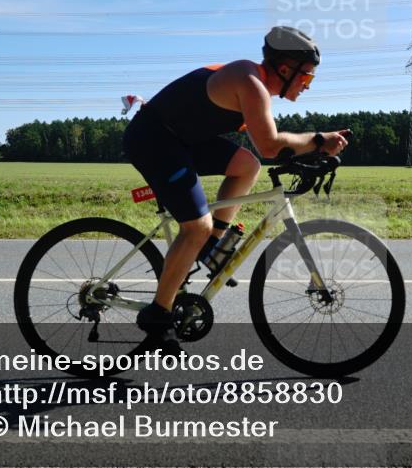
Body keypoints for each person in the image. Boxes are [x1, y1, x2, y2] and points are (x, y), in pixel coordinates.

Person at [122, 26, 350, 353]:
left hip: (180, 139)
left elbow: (269, 148)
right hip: (153, 139)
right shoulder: (250, 83)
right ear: (285, 69)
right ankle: (158, 316)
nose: (307, 84)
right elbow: (270, 145)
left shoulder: (256, 84)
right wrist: (317, 141)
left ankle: (210, 246)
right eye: (307, 76)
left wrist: (315, 150)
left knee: (246, 166)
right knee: (195, 226)